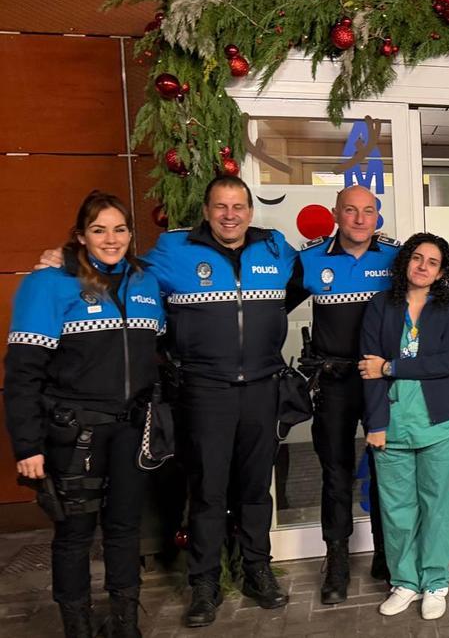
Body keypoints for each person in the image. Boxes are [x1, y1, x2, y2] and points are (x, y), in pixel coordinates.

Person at [6, 191, 164, 638]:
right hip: (74, 435)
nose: (111, 239)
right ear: (80, 235)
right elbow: (22, 373)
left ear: (132, 234)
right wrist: (28, 445)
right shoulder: (48, 284)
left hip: (132, 430)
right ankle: (77, 626)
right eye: (99, 230)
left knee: (124, 528)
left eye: (120, 229)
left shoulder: (144, 281)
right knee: (75, 535)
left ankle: (124, 621)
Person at [144, 176, 297, 626]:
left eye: (238, 206)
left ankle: (257, 571)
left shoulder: (275, 249)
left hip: (263, 388)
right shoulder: (174, 251)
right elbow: (119, 273)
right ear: (206, 211)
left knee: (254, 490)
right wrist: (66, 262)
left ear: (250, 211)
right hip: (204, 391)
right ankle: (205, 584)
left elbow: (314, 276)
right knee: (208, 492)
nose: (230, 215)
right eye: (220, 206)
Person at [289, 185, 399, 603]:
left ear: (377, 216)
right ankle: (336, 561)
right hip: (333, 383)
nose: (358, 219)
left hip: (381, 383)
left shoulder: (395, 258)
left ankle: (386, 555)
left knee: (386, 471)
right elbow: (268, 305)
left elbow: (428, 297)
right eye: (350, 211)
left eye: (367, 211)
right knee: (335, 475)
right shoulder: (310, 259)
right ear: (336, 214)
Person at [359, 233, 449, 621]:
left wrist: (392, 367)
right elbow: (366, 368)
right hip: (391, 426)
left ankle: (436, 581)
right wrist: (374, 423)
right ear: (405, 261)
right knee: (397, 510)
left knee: (439, 507)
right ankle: (405, 581)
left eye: (433, 261)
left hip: (442, 424)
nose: (423, 266)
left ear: (441, 271)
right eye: (417, 258)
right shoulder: (379, 306)